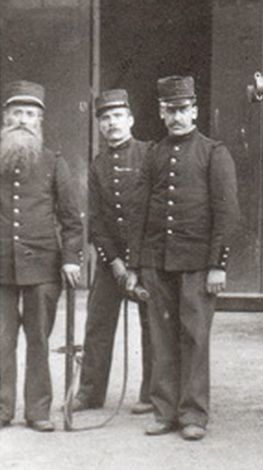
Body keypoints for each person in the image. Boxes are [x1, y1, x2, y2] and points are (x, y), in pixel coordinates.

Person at [125, 76, 239, 441]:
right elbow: (139, 210)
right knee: (161, 338)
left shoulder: (214, 153)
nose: (176, 117)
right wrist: (134, 265)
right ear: (161, 113)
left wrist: (218, 264)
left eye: (182, 110)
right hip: (157, 262)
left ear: (195, 111)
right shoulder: (154, 154)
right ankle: (165, 413)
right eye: (169, 110)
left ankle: (193, 414)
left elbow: (226, 212)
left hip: (197, 264)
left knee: (194, 338)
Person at [0, 80, 84, 432]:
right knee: (1, 340)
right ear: (5, 117)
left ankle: (38, 411)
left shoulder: (53, 162)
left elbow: (71, 219)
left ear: (40, 121)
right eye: (17, 112)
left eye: (30, 114)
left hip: (43, 266)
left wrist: (71, 258)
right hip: (0, 266)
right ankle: (2, 409)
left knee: (38, 339)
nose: (23, 120)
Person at [70, 89, 154, 415]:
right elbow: (96, 220)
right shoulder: (98, 166)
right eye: (105, 118)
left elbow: (154, 212)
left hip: (146, 259)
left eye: (118, 116)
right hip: (112, 262)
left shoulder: (149, 154)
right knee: (98, 325)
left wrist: (136, 263)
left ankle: (152, 394)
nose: (111, 123)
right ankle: (90, 393)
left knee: (153, 327)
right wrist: (116, 262)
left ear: (130, 120)